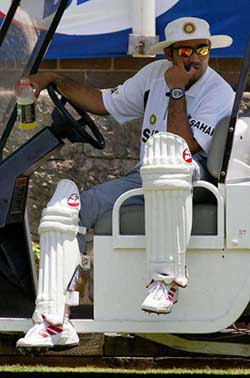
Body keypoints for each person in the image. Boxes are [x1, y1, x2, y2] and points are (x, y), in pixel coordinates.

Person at [16, 17, 235, 351]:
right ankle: (53, 320)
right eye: (186, 50)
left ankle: (165, 280)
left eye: (202, 49)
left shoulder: (218, 91)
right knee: (64, 207)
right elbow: (104, 102)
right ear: (171, 54)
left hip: (191, 175)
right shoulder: (152, 75)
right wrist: (54, 78)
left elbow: (181, 145)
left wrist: (175, 90)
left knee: (167, 159)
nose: (195, 58)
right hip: (144, 177)